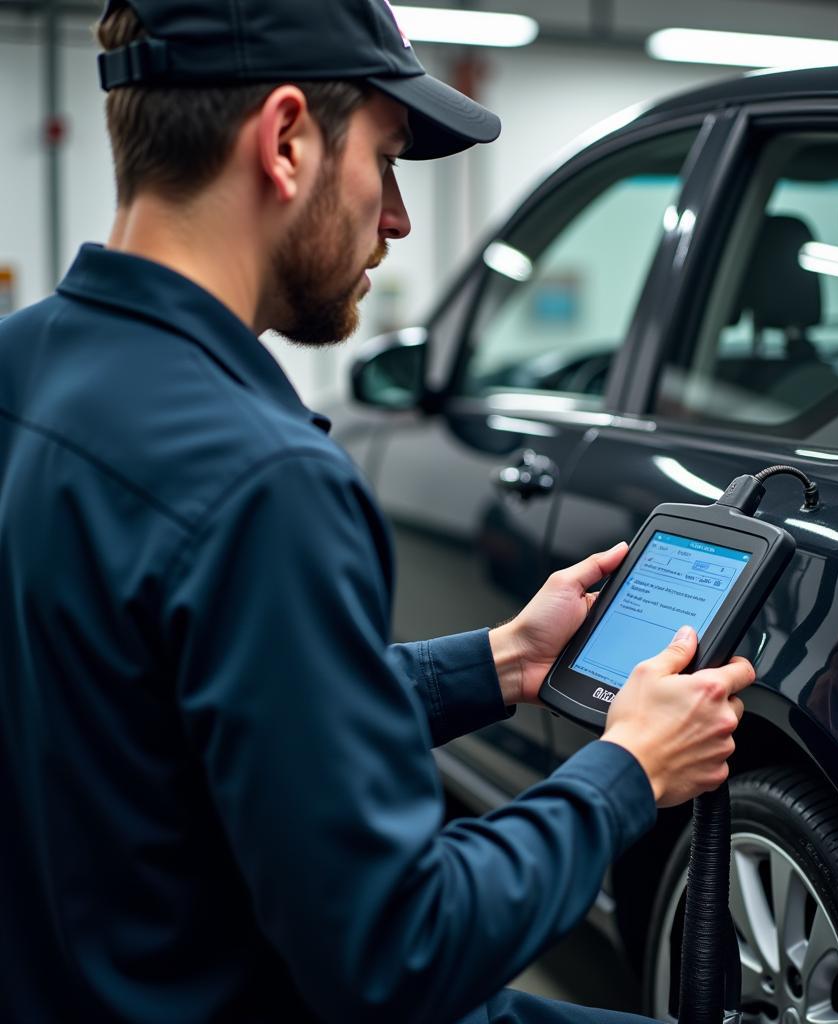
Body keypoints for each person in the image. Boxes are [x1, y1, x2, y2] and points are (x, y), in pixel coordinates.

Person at [0, 1, 755, 1021]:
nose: (396, 216)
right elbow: (400, 956)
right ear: (285, 141)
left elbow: (201, 720)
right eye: (387, 158)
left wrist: (499, 663)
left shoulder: (24, 366)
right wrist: (627, 770)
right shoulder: (263, 480)